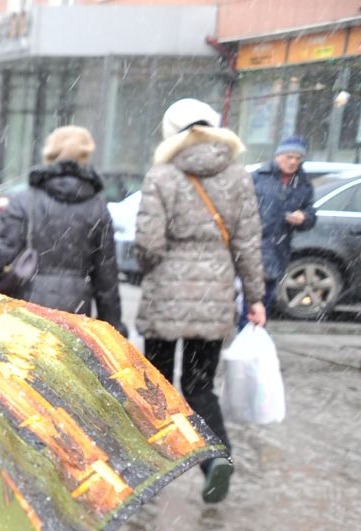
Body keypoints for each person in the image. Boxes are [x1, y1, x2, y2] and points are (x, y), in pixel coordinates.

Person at [134, 98, 265, 505]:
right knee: (199, 387)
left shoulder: (162, 175)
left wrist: (150, 262)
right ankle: (215, 460)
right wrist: (256, 297)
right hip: (215, 294)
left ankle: (149, 470)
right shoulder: (238, 176)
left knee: (155, 386)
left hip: (166, 297)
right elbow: (248, 242)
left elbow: (149, 244)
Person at [0, 125, 123, 331]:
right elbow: (106, 277)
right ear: (85, 157)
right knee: (65, 360)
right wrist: (113, 325)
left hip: (27, 300)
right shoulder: (98, 208)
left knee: (27, 359)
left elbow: (0, 255)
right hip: (76, 307)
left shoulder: (24, 200)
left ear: (50, 155)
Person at [252, 135, 317, 315]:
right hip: (253, 248)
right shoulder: (258, 178)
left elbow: (311, 214)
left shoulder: (303, 184)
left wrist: (303, 217)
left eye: (298, 158)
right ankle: (246, 337)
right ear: (278, 156)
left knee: (265, 304)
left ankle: (256, 338)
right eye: (289, 157)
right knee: (249, 304)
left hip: (278, 250)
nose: (293, 162)